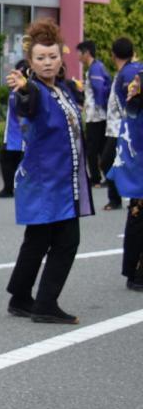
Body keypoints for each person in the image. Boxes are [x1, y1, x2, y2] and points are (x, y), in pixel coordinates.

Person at [4, 20, 93, 324]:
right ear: (30, 62)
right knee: (67, 241)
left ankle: (19, 296)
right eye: (40, 58)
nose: (47, 63)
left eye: (52, 56)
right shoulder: (36, 91)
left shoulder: (62, 89)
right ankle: (45, 304)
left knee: (38, 240)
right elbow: (27, 103)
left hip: (58, 182)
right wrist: (25, 87)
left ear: (60, 58)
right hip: (45, 182)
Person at [107, 39, 143, 290]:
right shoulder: (136, 75)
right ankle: (136, 272)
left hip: (133, 143)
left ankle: (134, 270)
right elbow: (132, 108)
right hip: (138, 147)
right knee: (139, 210)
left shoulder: (132, 72)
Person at [100, 38, 138, 211]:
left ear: (113, 54)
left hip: (124, 128)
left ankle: (117, 197)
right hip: (122, 127)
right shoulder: (129, 70)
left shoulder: (127, 73)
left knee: (108, 160)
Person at [0, 60, 30, 199]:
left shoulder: (26, 91)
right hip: (11, 133)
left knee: (21, 162)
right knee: (6, 159)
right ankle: (8, 188)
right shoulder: (15, 90)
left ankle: (20, 188)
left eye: (19, 72)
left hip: (22, 134)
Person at [77, 40, 111, 187]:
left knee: (92, 149)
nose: (78, 56)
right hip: (100, 115)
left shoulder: (94, 69)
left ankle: (96, 178)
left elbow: (99, 90)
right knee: (102, 148)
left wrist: (100, 107)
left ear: (87, 53)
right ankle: (108, 178)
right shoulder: (98, 67)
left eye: (80, 53)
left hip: (96, 116)